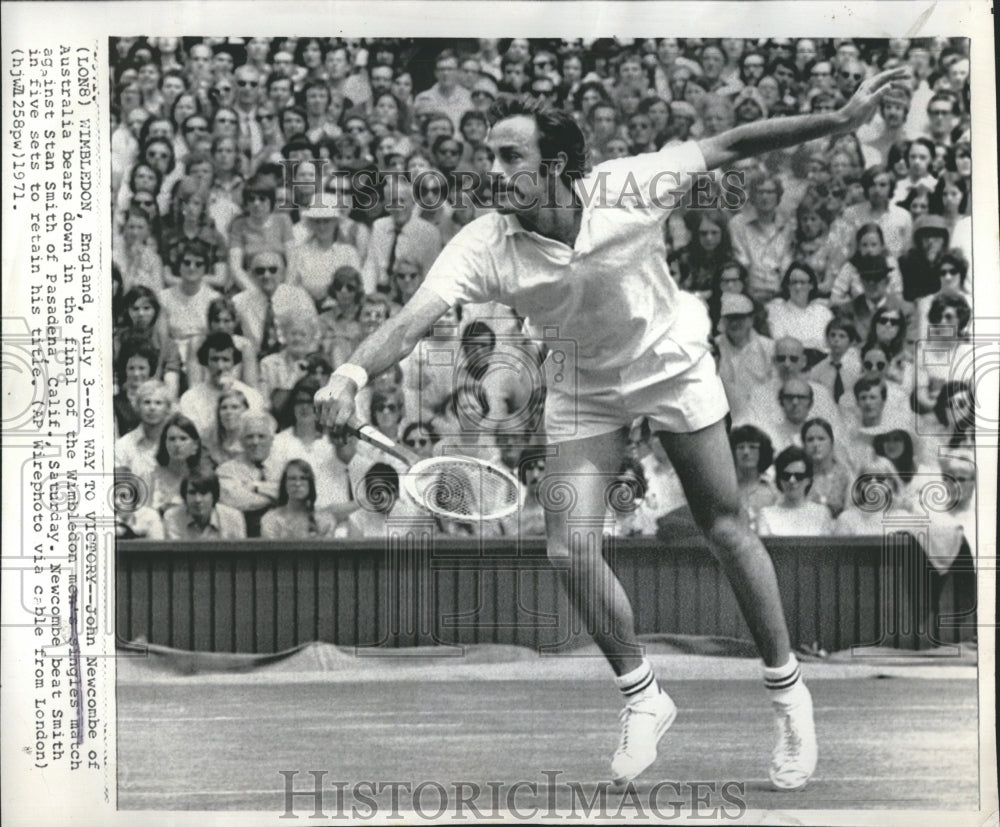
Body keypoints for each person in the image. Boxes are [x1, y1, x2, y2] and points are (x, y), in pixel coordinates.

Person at [316, 68, 909, 790]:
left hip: (669, 361)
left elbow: (736, 142)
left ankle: (789, 694)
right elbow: (410, 321)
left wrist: (842, 120)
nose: (491, 170)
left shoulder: (633, 184)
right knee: (567, 546)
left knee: (725, 525)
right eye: (490, 156)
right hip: (583, 381)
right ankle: (644, 695)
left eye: (511, 158)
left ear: (558, 168)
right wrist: (349, 374)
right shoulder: (483, 242)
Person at [756, 446, 835, 537]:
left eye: (799, 476)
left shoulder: (822, 514)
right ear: (779, 479)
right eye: (786, 475)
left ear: (808, 480)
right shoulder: (766, 515)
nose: (792, 481)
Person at [260, 459, 337, 539]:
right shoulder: (271, 519)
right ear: (285, 484)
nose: (297, 483)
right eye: (292, 479)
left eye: (303, 478)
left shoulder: (324, 519)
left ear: (310, 484)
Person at [163, 471, 247, 540]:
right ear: (184, 495)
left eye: (203, 493)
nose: (198, 500)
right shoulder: (172, 517)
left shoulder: (233, 518)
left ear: (214, 495)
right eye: (192, 493)